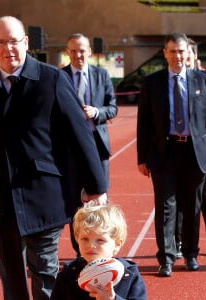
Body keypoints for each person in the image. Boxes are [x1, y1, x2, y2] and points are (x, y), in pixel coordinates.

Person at [0, 16, 107, 300]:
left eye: (15, 41)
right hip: (0, 200)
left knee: (44, 274)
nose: (9, 49)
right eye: (2, 42)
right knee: (11, 280)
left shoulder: (52, 79)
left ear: (26, 43)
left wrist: (96, 186)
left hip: (44, 194)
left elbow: (81, 135)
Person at [137, 33, 206, 277]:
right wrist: (141, 158)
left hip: (194, 153)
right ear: (165, 53)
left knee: (192, 206)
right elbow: (143, 124)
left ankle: (191, 254)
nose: (177, 56)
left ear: (188, 53)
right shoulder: (152, 82)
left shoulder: (203, 80)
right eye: (172, 51)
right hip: (164, 153)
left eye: (181, 51)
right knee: (165, 206)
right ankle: (166, 258)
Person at [63, 33, 117, 254]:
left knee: (100, 199)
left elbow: (113, 108)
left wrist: (96, 112)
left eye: (82, 50)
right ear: (68, 52)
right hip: (70, 149)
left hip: (97, 146)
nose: (78, 55)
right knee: (75, 203)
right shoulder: (60, 76)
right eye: (73, 51)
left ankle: (103, 248)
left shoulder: (102, 75)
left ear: (90, 52)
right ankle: (80, 252)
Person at [175, 38, 206, 258]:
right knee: (181, 199)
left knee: (202, 196)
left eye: (189, 55)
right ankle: (180, 241)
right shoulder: (174, 81)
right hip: (179, 152)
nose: (185, 58)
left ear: (194, 57)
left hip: (201, 153)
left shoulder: (204, 80)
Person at [50, 204, 147, 300]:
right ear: (77, 239)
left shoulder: (129, 275)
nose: (90, 245)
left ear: (117, 243)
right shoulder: (68, 275)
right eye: (85, 239)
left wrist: (113, 299)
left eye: (100, 240)